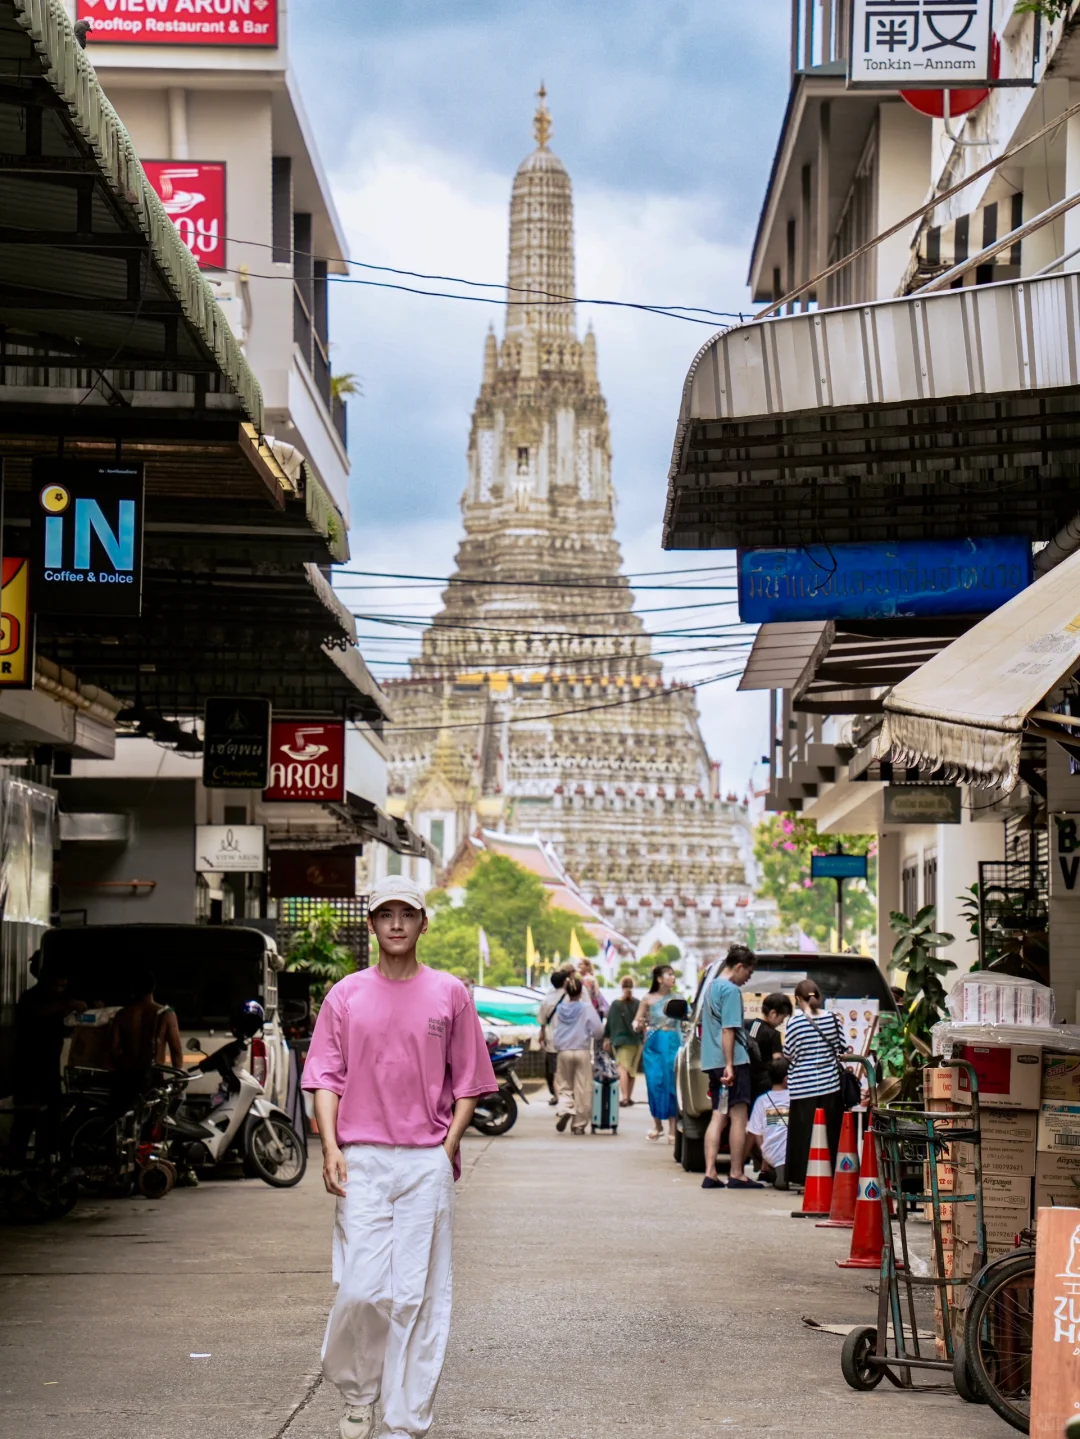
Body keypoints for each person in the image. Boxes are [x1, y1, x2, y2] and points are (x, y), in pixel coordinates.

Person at [303, 874, 497, 1439]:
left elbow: (468, 1081)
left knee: (418, 1294)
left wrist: (449, 1144)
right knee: (364, 1288)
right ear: (372, 924)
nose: (395, 924)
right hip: (361, 1157)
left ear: (422, 924)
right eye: (385, 914)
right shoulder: (346, 995)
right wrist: (331, 1145)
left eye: (406, 914)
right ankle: (359, 1393)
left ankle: (404, 1421)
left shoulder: (449, 993)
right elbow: (324, 1078)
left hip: (424, 1162)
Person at [700, 944, 761, 1189]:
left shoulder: (711, 986)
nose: (748, 978)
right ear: (738, 967)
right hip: (732, 1061)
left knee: (718, 1115)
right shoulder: (731, 991)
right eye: (748, 972)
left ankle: (710, 1172)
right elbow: (729, 1029)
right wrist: (730, 1065)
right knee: (738, 1117)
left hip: (712, 1062)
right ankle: (737, 1173)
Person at [11, 963, 86, 1159]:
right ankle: (15, 1163)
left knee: (51, 1118)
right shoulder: (31, 999)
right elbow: (41, 1012)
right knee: (26, 1118)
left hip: (50, 1069)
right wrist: (68, 1004)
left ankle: (45, 1162)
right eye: (56, 986)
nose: (60, 990)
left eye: (63, 987)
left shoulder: (55, 1003)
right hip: (29, 1069)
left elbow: (63, 1027)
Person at [783, 977, 846, 1188]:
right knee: (831, 1131)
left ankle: (802, 1176)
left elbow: (788, 1053)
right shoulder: (834, 1019)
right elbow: (842, 1048)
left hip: (803, 1087)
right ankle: (832, 1174)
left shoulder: (794, 1022)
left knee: (804, 1133)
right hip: (831, 1085)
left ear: (799, 999)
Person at [634, 963, 681, 1143]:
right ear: (659, 979)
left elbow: (687, 1017)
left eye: (673, 974)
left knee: (671, 1084)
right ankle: (657, 1125)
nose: (672, 977)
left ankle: (672, 1128)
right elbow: (637, 1021)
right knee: (654, 1083)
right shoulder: (647, 999)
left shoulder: (678, 999)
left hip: (671, 1043)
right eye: (669, 974)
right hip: (653, 1043)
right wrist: (638, 1025)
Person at [552, 972, 603, 1134]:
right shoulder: (586, 1008)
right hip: (582, 1050)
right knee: (583, 1088)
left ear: (566, 991)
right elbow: (598, 1030)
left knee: (565, 1085)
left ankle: (566, 1107)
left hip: (563, 1051)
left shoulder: (560, 1009)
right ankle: (579, 1124)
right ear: (581, 992)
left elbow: (554, 1030)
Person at [746, 1056, 792, 1189]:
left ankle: (768, 1169)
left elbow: (755, 1133)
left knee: (754, 1128)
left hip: (770, 1153)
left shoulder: (762, 1100)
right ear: (787, 1079)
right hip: (793, 1152)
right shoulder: (794, 1096)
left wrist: (765, 1151)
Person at [602, 975, 642, 1107]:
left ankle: (624, 1097)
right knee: (631, 1070)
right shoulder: (637, 1004)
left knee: (622, 1068)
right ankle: (628, 1096)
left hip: (620, 1041)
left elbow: (609, 1023)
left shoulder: (615, 1004)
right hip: (636, 1041)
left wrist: (607, 1038)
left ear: (621, 986)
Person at [747, 992, 792, 1101]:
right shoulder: (773, 1034)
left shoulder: (747, 1025)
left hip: (746, 1079)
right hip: (764, 1083)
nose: (782, 1022)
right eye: (783, 1017)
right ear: (773, 1013)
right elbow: (777, 1061)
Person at [537, 968, 569, 1106]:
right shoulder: (570, 998)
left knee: (554, 1071)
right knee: (567, 1070)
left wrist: (542, 1036)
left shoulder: (547, 1000)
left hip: (552, 1039)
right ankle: (568, 1096)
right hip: (569, 1039)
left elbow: (542, 1023)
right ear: (564, 982)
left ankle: (557, 1097)